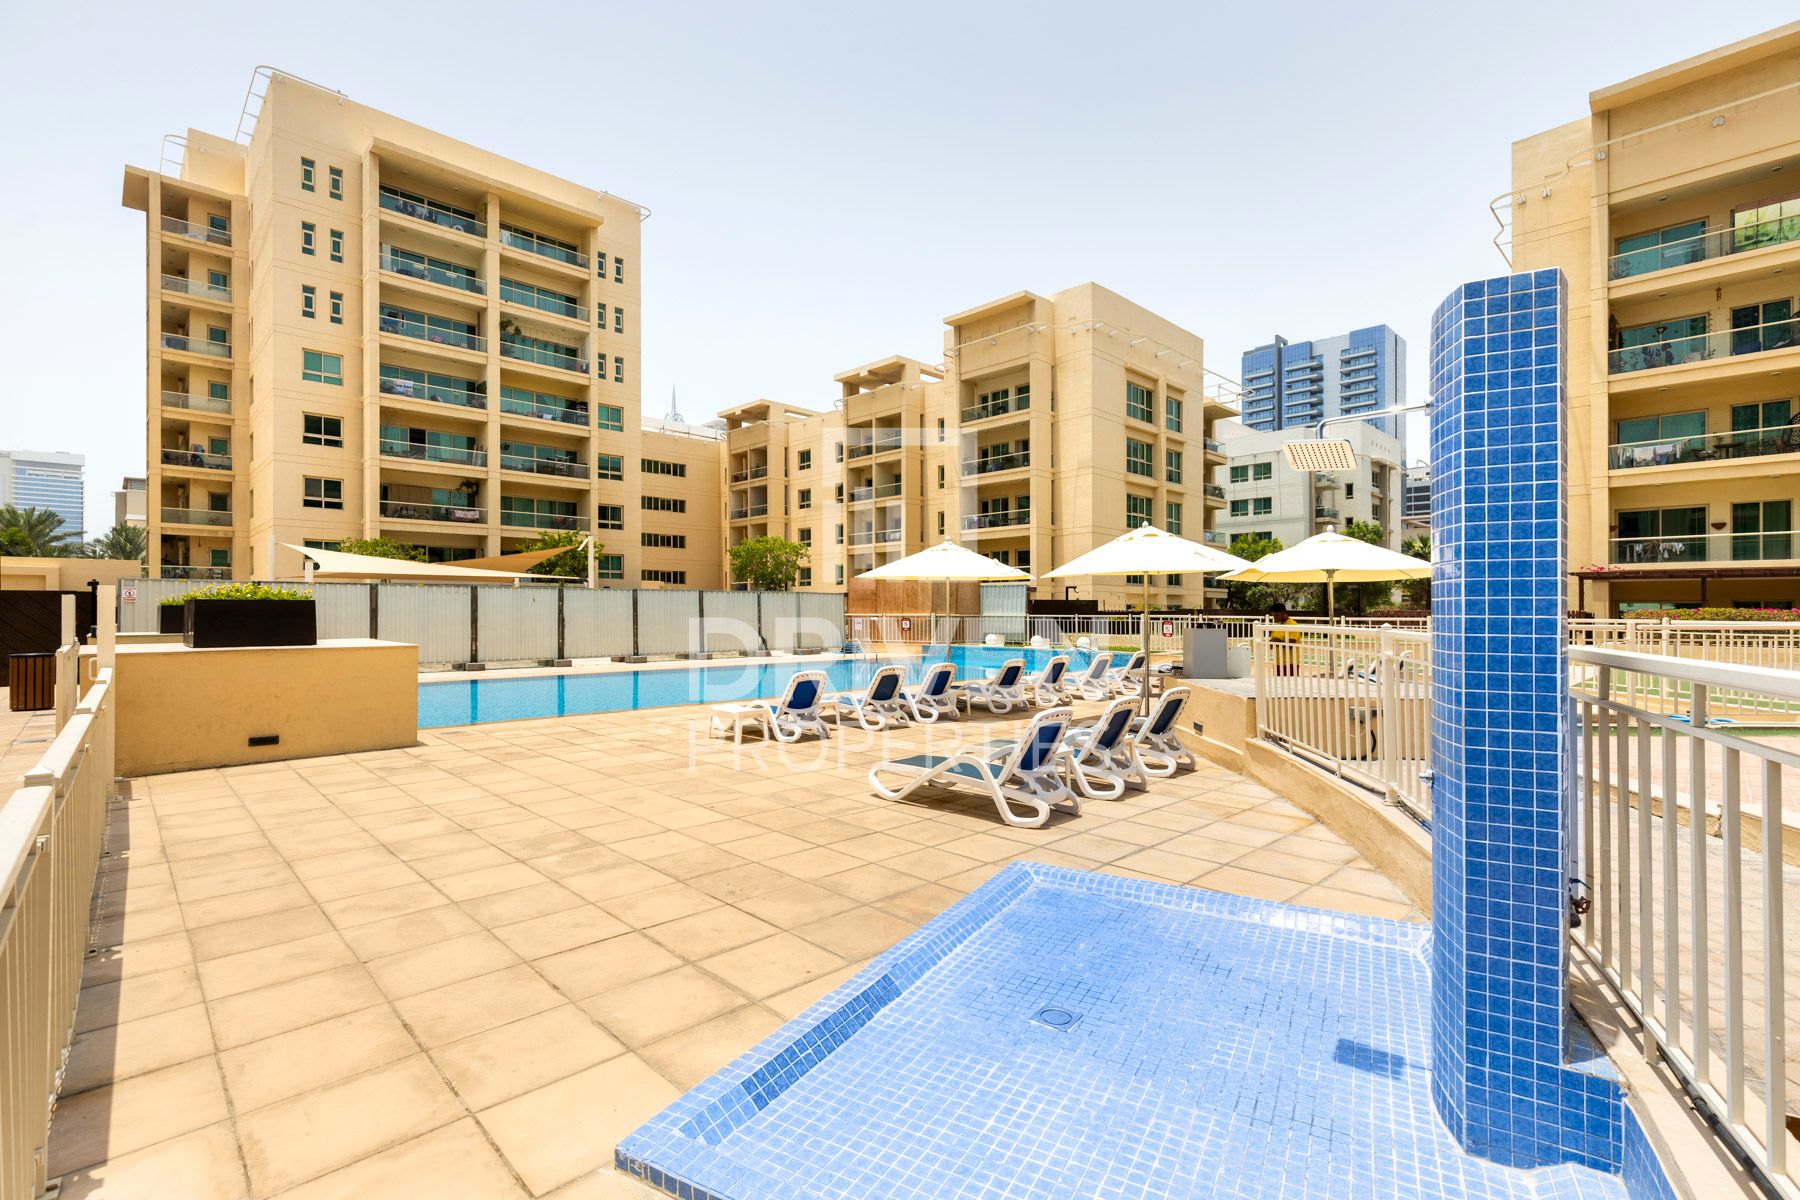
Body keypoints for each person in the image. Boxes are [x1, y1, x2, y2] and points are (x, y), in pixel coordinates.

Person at [1267, 602, 1302, 676]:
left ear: (1283, 613)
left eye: (1276, 615)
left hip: (1290, 662)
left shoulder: (1293, 624)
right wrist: (1272, 642)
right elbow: (1271, 644)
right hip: (1277, 662)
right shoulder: (1277, 626)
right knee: (1277, 682)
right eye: (1273, 616)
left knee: (1290, 682)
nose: (1274, 618)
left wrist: (1276, 641)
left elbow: (1290, 645)